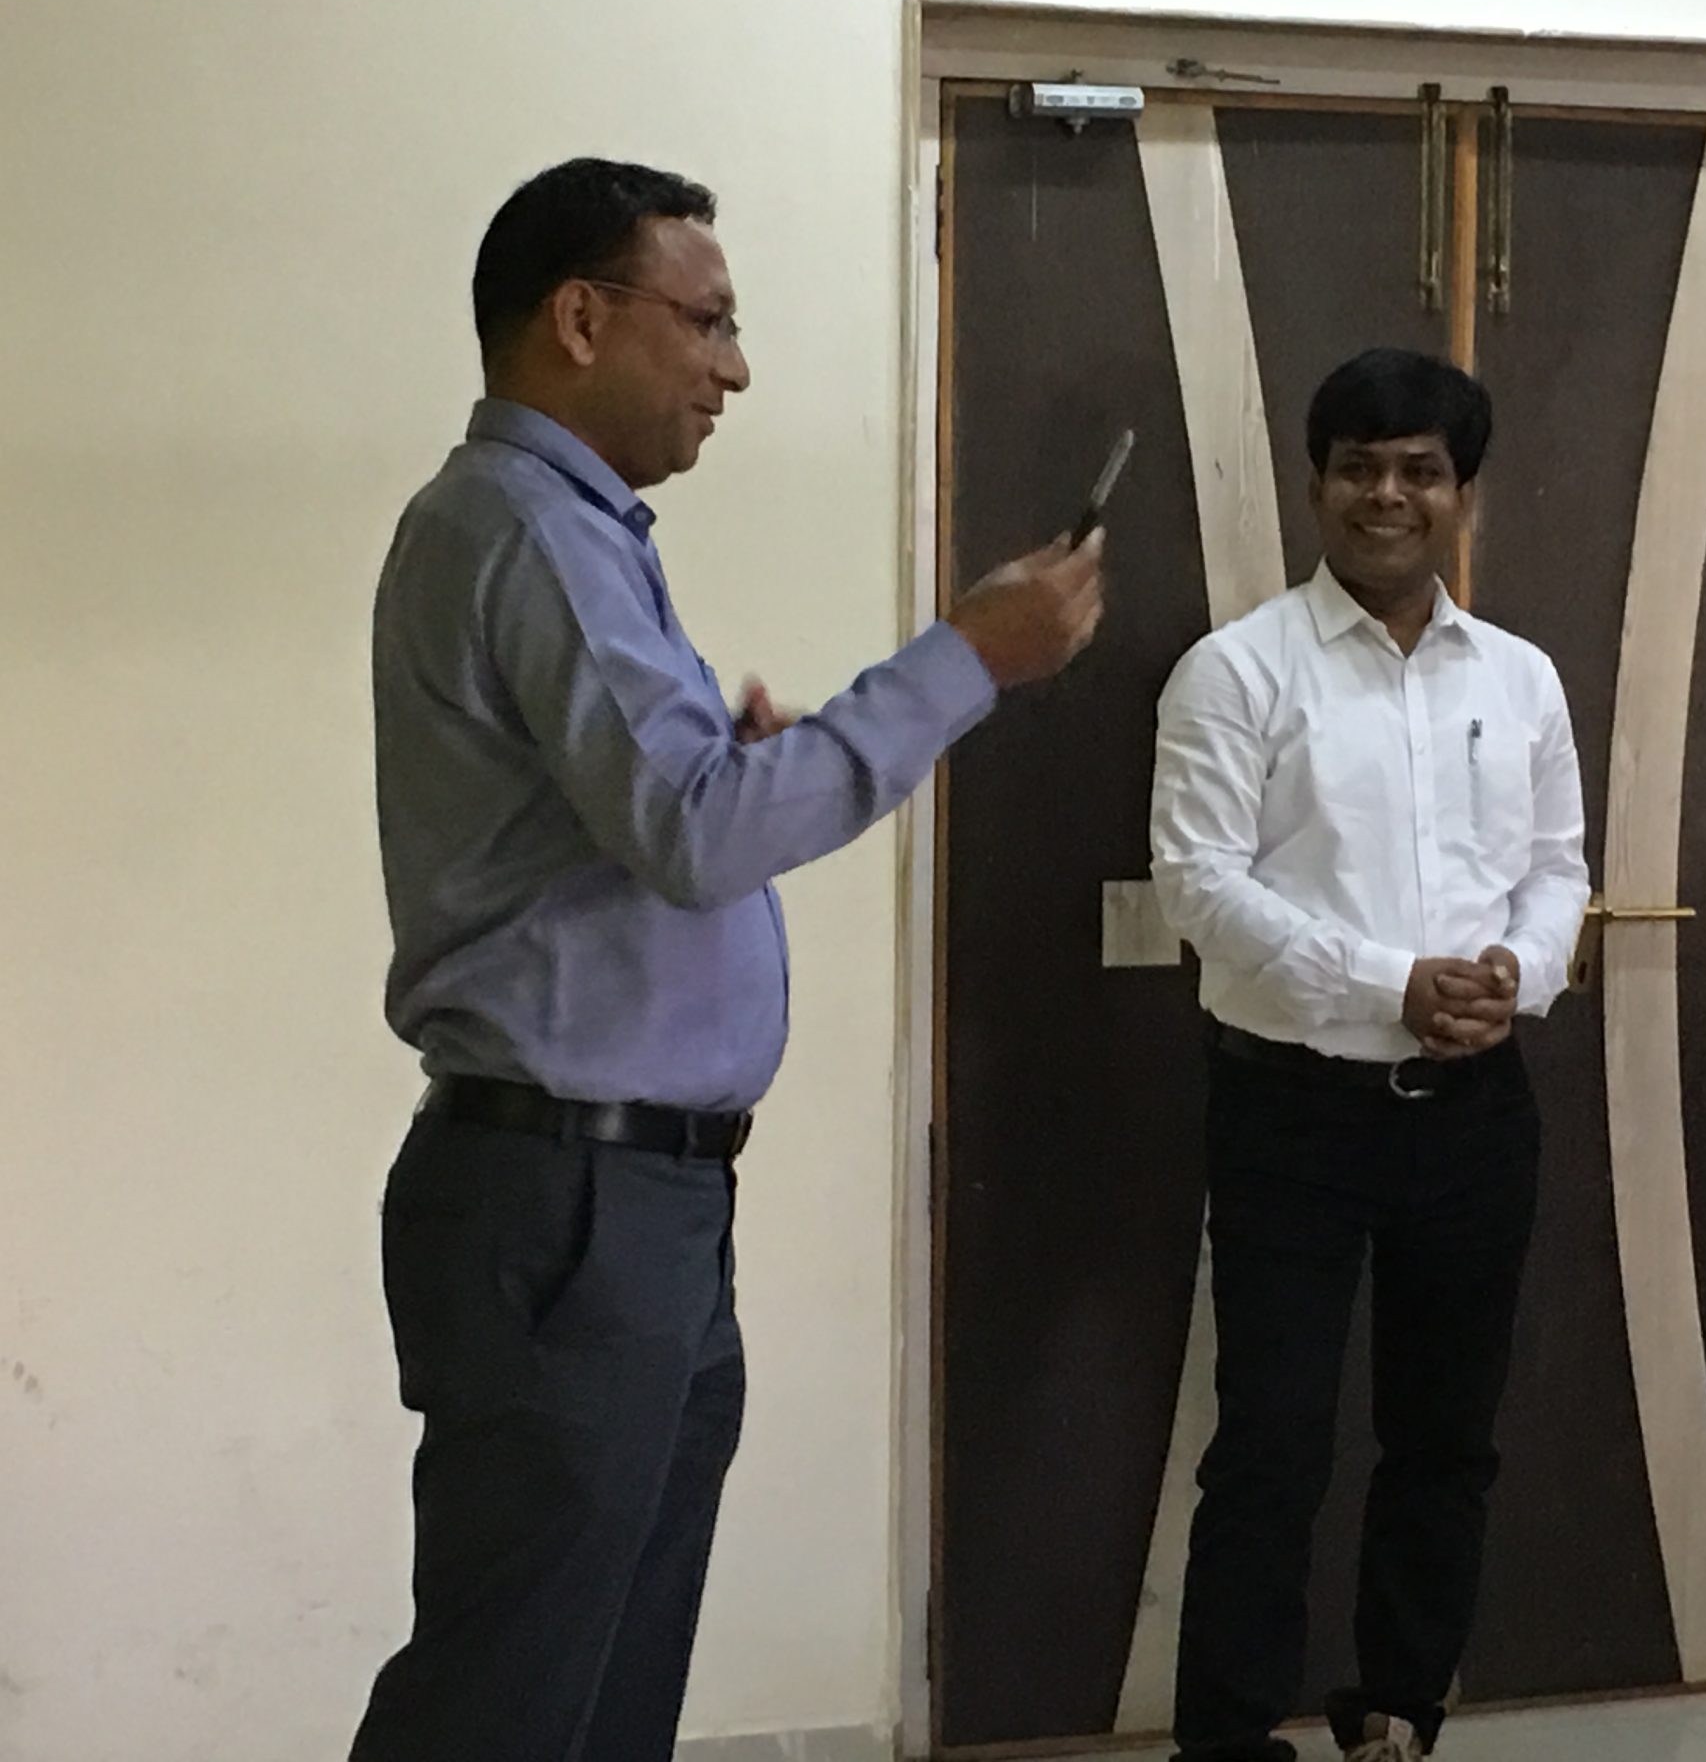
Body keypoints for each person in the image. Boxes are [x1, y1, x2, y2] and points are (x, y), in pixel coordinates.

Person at [353, 158, 1102, 1762]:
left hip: (630, 1199)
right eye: (706, 322)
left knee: (600, 1689)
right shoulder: (528, 528)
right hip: (573, 1200)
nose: (734, 369)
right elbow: (696, 831)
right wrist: (968, 658)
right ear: (578, 319)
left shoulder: (567, 534)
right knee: (512, 1700)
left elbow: (659, 820)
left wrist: (749, 767)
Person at [1149, 349, 1590, 1762]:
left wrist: (1518, 974)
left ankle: (1400, 1710)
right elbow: (1197, 883)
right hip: (1293, 1115)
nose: (1386, 496)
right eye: (1358, 467)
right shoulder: (1237, 671)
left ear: (1462, 494)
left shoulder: (1519, 678)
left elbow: (1557, 868)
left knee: (1446, 1438)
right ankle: (1228, 1739)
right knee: (1271, 1447)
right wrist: (1388, 982)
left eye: (1419, 471)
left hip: (1475, 1114)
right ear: (1316, 483)